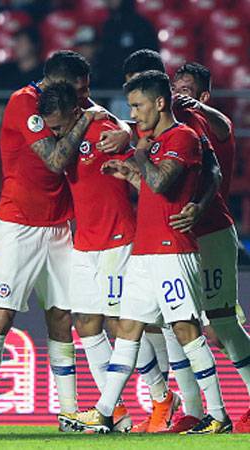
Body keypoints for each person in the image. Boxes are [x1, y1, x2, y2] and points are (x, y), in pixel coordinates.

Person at [75, 70, 231, 434]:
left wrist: (141, 156)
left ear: (160, 103)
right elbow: (153, 188)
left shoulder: (183, 137)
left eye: (138, 106)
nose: (134, 113)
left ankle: (219, 413)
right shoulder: (155, 139)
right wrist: (130, 175)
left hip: (172, 250)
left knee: (185, 329)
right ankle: (104, 410)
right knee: (128, 328)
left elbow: (163, 181)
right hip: (145, 250)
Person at [0, 52, 107, 434]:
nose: (87, 97)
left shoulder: (79, 106)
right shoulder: (23, 103)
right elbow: (56, 161)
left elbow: (106, 117)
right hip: (17, 224)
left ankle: (69, 412)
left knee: (62, 317)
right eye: (82, 89)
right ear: (58, 83)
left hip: (60, 226)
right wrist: (87, 120)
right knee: (2, 315)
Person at [38, 82, 135, 433]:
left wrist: (126, 134)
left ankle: (118, 406)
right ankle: (118, 414)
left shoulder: (107, 132)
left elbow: (138, 159)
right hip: (85, 242)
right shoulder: (67, 139)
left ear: (76, 112)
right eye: (53, 129)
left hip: (117, 237)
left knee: (122, 324)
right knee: (85, 322)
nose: (57, 134)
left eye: (61, 126)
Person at [172, 62, 250, 434]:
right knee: (174, 323)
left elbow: (225, 126)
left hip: (213, 232)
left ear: (202, 95)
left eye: (186, 89)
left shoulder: (208, 124)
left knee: (221, 326)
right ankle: (190, 409)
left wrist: (200, 109)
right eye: (174, 86)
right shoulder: (172, 125)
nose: (177, 94)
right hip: (180, 238)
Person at [95, 0, 159, 90]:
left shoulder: (141, 25)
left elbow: (151, 58)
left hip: (138, 88)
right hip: (112, 89)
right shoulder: (108, 25)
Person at [0, 27, 45, 92]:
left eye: (22, 42)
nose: (17, 46)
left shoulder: (46, 74)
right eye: (16, 42)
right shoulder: (3, 71)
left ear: (34, 45)